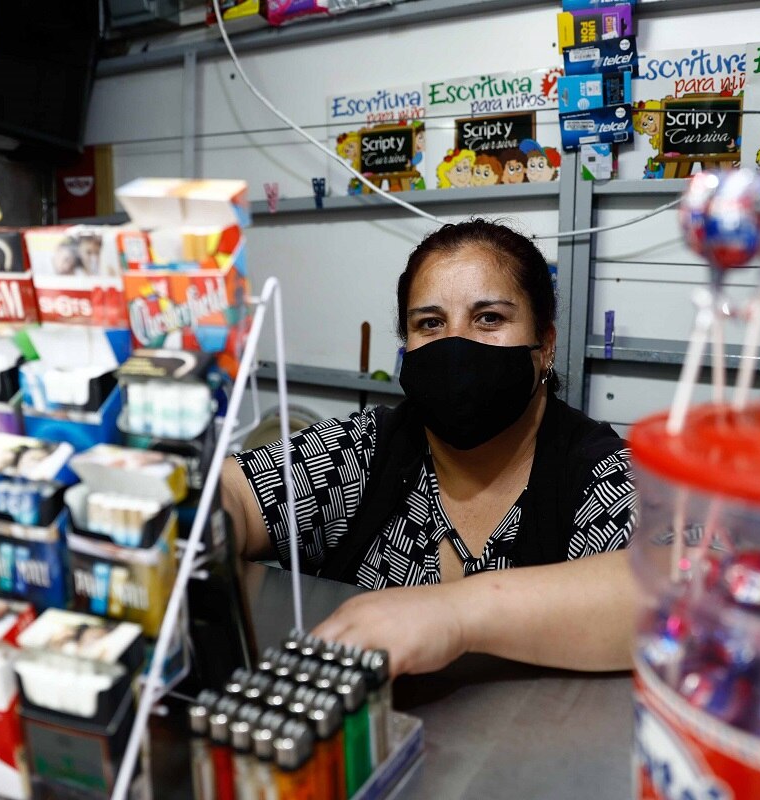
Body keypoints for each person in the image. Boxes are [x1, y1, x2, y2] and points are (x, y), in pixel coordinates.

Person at [222, 219, 639, 677]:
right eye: (430, 323)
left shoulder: (598, 471)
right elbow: (233, 495)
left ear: (546, 345)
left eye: (489, 319)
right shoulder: (364, 453)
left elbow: (676, 590)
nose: (456, 344)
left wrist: (455, 614)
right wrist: (200, 521)